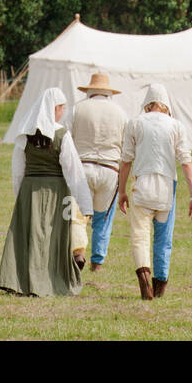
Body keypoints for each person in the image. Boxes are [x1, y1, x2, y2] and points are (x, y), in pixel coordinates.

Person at [0, 87, 93, 297]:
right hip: (57, 190)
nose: (62, 112)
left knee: (31, 236)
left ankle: (25, 280)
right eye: (61, 108)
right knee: (54, 236)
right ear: (55, 108)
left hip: (30, 190)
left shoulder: (24, 136)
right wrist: (85, 204)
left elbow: (17, 170)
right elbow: (73, 170)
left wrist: (20, 196)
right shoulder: (61, 135)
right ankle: (50, 279)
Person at [118, 83, 192, 300]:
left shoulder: (134, 123)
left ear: (147, 103)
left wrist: (121, 191)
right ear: (166, 105)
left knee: (140, 236)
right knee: (164, 238)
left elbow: (126, 160)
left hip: (141, 183)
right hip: (166, 187)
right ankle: (160, 286)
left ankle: (145, 281)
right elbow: (186, 162)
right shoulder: (176, 126)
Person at [69, 71, 126, 273]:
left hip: (82, 167)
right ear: (108, 93)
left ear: (90, 91)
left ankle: (79, 251)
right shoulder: (120, 113)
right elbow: (126, 145)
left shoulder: (78, 109)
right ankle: (98, 262)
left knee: (77, 216)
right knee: (103, 218)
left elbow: (67, 140)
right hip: (110, 169)